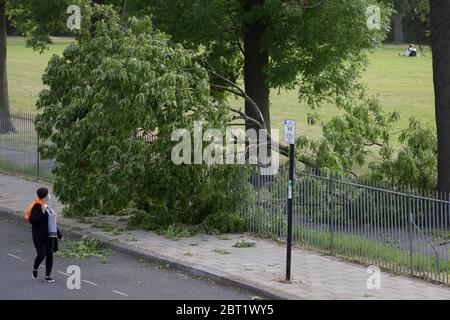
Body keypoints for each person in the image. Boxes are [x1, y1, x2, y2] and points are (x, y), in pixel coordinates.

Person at [28, 187, 63, 283]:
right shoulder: (37, 206)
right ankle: (35, 268)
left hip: (50, 236)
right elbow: (32, 220)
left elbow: (51, 222)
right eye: (48, 194)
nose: (49, 195)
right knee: (41, 254)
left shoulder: (47, 206)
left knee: (49, 256)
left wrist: (59, 235)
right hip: (39, 236)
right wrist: (42, 213)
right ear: (45, 196)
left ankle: (48, 276)